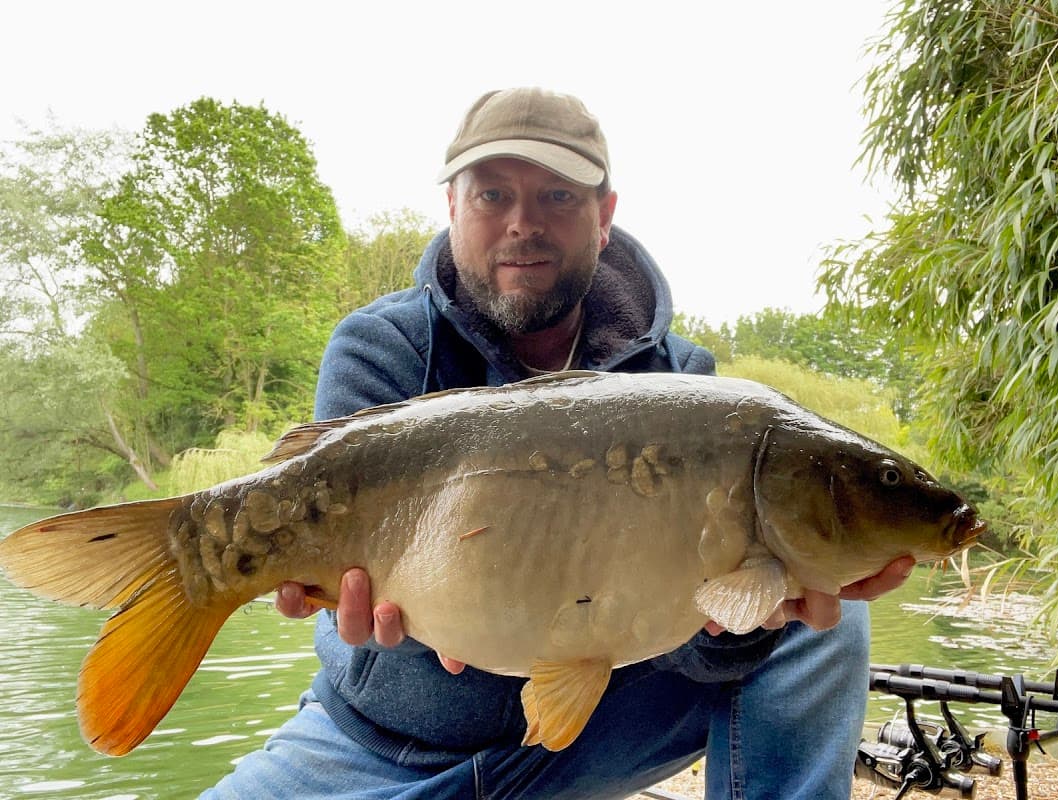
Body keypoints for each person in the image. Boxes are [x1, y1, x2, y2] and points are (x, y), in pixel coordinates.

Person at [201, 87, 913, 800]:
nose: (523, 223)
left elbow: (704, 650)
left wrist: (750, 619)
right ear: (452, 206)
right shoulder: (382, 348)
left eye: (558, 197)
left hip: (602, 731)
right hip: (381, 747)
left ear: (604, 217)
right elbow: (353, 606)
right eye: (492, 195)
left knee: (819, 597)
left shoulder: (683, 387)